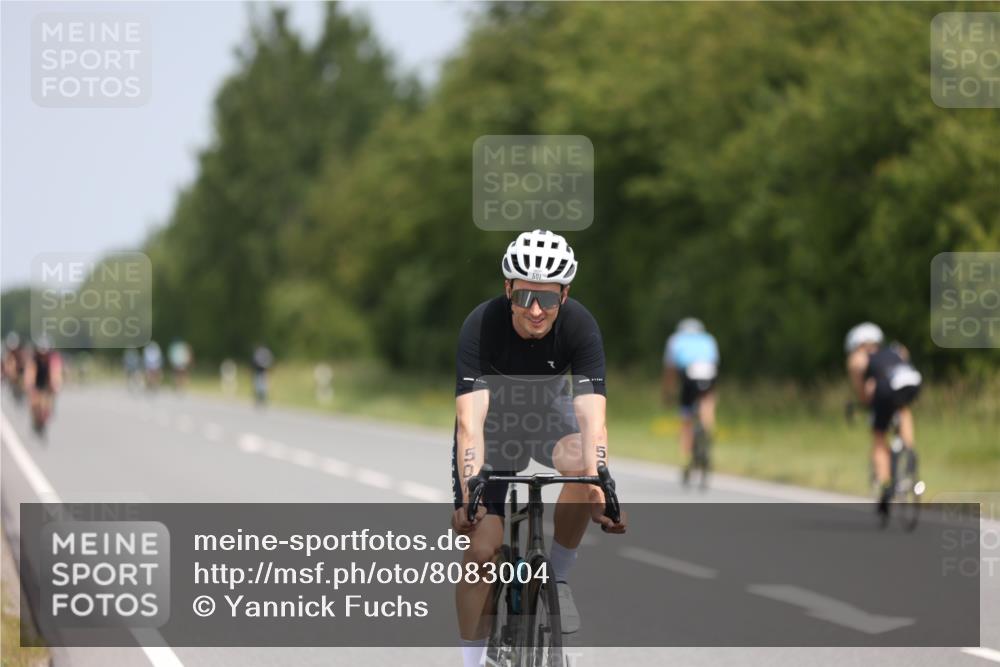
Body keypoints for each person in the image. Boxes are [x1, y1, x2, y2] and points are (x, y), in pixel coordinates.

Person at [450, 229, 627, 667]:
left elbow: (593, 420)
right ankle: (472, 662)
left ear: (564, 295)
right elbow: (470, 423)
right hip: (495, 428)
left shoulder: (580, 326)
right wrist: (469, 491)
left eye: (547, 298)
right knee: (481, 553)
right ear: (508, 289)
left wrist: (601, 486)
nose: (535, 309)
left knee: (584, 469)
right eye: (525, 295)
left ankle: (559, 578)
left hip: (549, 418)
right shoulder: (482, 325)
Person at [844, 322, 922, 519]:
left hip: (886, 389)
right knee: (903, 409)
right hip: (912, 381)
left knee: (879, 437)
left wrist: (867, 403)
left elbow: (863, 392)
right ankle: (908, 450)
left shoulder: (857, 359)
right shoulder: (897, 349)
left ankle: (886, 483)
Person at [662, 317, 720, 485]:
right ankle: (707, 429)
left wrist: (667, 393)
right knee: (707, 403)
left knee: (686, 417)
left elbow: (670, 371)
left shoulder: (675, 340)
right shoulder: (708, 339)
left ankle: (686, 454)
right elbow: (715, 363)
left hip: (689, 374)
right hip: (709, 373)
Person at [24, 336, 62, 436]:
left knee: (48, 403)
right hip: (36, 382)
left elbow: (55, 372)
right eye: (41, 353)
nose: (43, 355)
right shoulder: (33, 359)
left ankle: (46, 415)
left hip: (47, 383)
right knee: (34, 401)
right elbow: (30, 373)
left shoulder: (53, 359)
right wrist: (30, 386)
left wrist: (56, 384)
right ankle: (35, 417)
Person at [2, 332, 27, 402]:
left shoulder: (22, 356)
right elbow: (6, 369)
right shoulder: (7, 357)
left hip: (19, 383)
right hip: (9, 384)